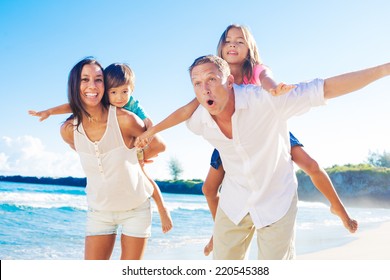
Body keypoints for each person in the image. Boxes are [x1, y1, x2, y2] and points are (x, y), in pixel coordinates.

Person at [135, 24, 357, 256]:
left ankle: (338, 208)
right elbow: (185, 111)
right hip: (229, 139)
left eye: (240, 41)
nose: (233, 44)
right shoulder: (209, 75)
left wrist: (274, 90)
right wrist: (152, 131)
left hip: (267, 131)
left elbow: (268, 80)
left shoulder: (255, 69)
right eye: (228, 40)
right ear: (220, 49)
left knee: (309, 164)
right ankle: (219, 231)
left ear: (249, 48)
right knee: (209, 188)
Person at [184, 54, 390, 260]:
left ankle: (337, 207)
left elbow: (325, 88)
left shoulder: (266, 100)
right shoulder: (197, 122)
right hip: (234, 202)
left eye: (211, 79)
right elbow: (175, 120)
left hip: (276, 200)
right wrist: (151, 130)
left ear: (229, 81)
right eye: (197, 84)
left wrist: (384, 70)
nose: (205, 89)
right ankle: (216, 234)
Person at [29, 63, 173, 234]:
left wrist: (137, 153)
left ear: (131, 90)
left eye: (124, 92)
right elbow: (75, 105)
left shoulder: (132, 109)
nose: (119, 97)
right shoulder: (90, 111)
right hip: (100, 209)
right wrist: (50, 112)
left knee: (144, 176)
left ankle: (163, 209)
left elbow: (154, 135)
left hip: (135, 173)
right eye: (114, 92)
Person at [55, 57, 166, 260]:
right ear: (74, 85)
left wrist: (137, 155)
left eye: (98, 79)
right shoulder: (68, 130)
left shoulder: (126, 119)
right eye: (84, 79)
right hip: (99, 211)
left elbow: (158, 144)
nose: (92, 85)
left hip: (136, 208)